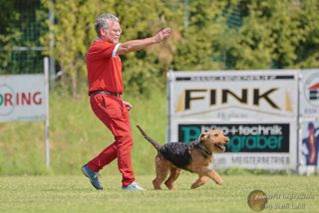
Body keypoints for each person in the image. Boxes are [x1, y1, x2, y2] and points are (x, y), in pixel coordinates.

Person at [81, 13, 171, 191]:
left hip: (112, 98)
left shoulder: (108, 50)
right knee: (124, 138)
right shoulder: (99, 46)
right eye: (114, 30)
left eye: (119, 29)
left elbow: (107, 78)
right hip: (103, 98)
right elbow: (128, 47)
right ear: (102, 31)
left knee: (125, 140)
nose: (119, 32)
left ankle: (92, 167)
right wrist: (154, 39)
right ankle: (128, 182)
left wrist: (119, 100)